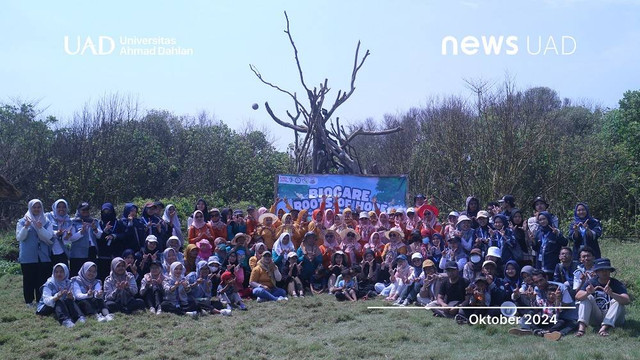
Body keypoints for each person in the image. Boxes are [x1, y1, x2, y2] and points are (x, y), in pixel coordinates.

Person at [575, 258, 630, 337]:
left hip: (614, 317)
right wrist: (587, 293)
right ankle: (581, 329)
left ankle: (604, 328)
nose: (604, 272)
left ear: (610, 271)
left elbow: (627, 300)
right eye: (601, 270)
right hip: (596, 315)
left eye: (607, 270)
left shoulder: (616, 283)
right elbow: (577, 296)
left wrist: (612, 294)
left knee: (617, 301)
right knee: (587, 298)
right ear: (596, 272)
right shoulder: (591, 282)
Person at [17, 199, 54, 306]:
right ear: (30, 208)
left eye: (38, 207)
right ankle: (29, 301)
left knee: (41, 279)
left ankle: (40, 299)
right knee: (28, 279)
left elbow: (49, 236)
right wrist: (26, 227)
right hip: (28, 256)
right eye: (34, 207)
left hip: (43, 255)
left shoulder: (46, 221)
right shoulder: (22, 221)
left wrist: (40, 228)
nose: (36, 209)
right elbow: (20, 237)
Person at [36, 263, 84, 328]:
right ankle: (65, 320)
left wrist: (71, 297)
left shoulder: (68, 283)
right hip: (45, 307)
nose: (59, 274)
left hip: (61, 306)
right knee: (58, 300)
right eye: (56, 272)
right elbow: (46, 300)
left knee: (69, 300)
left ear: (66, 272)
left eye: (61, 272)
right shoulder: (49, 284)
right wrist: (57, 296)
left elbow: (73, 297)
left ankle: (79, 317)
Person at [532, 211, 567, 277]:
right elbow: (536, 248)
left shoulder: (555, 231)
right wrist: (533, 241)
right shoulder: (538, 233)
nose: (542, 221)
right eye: (540, 220)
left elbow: (565, 243)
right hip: (540, 266)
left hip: (552, 266)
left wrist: (557, 235)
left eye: (544, 219)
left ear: (548, 219)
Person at [46, 199, 74, 267]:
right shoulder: (47, 217)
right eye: (59, 207)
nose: (61, 209)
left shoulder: (68, 220)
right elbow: (44, 231)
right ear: (55, 207)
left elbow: (66, 240)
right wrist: (56, 233)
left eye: (64, 207)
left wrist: (67, 237)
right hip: (49, 250)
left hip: (62, 251)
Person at [96, 203, 120, 281]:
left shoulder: (118, 223)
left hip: (115, 255)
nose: (106, 214)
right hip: (102, 256)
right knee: (103, 278)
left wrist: (114, 236)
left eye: (108, 211)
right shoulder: (99, 223)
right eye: (104, 212)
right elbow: (98, 239)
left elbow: (124, 235)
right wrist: (105, 231)